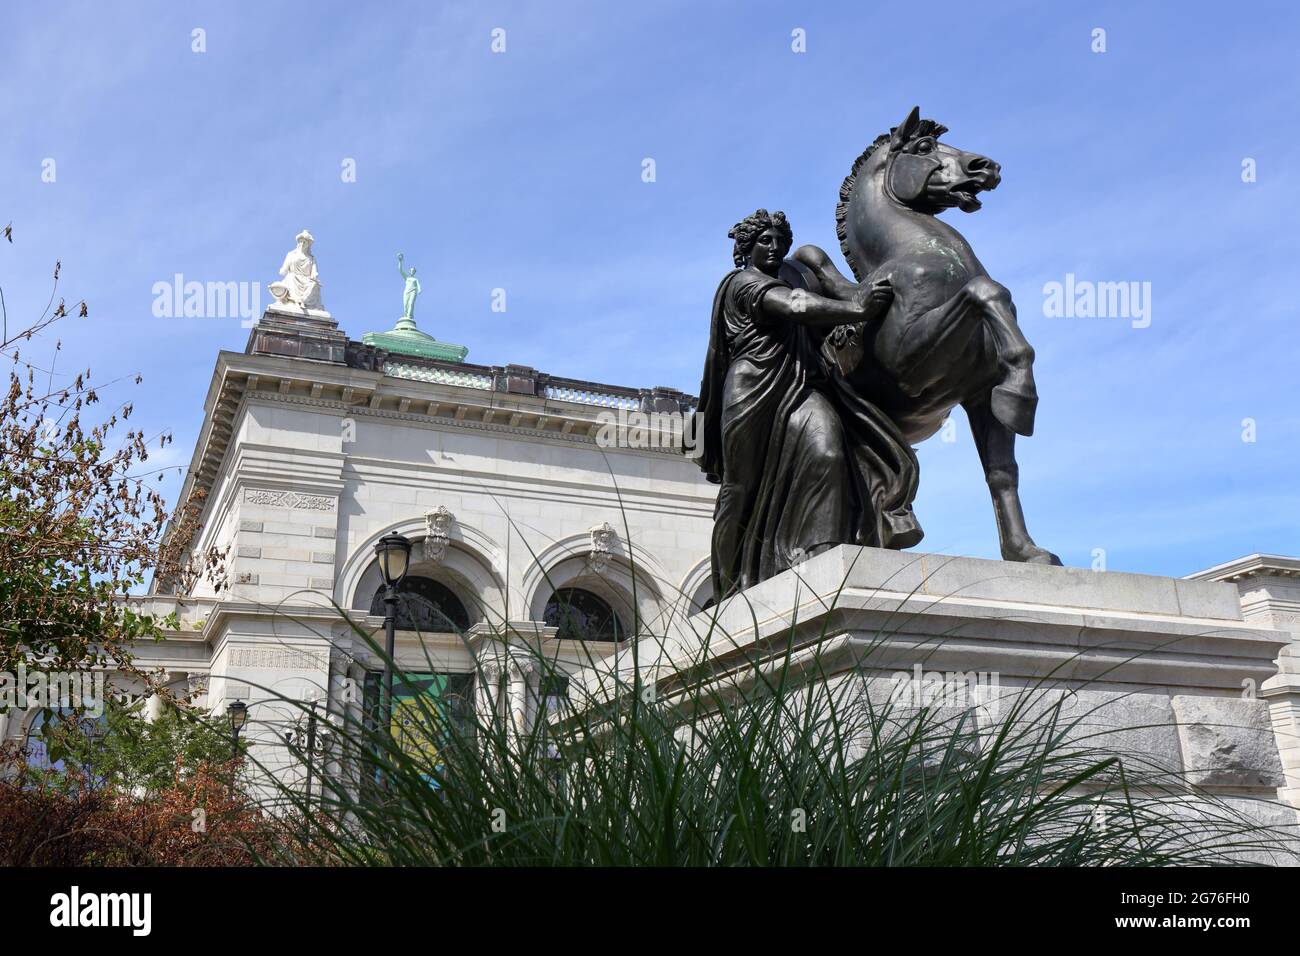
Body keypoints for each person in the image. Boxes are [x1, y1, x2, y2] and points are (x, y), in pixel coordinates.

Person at [695, 209, 923, 600]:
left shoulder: (793, 279)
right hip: (751, 391)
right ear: (746, 248)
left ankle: (821, 554)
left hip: (800, 387)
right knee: (740, 490)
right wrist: (858, 308)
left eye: (779, 242)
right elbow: (795, 305)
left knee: (828, 451)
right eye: (764, 241)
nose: (774, 248)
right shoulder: (742, 282)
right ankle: (728, 587)